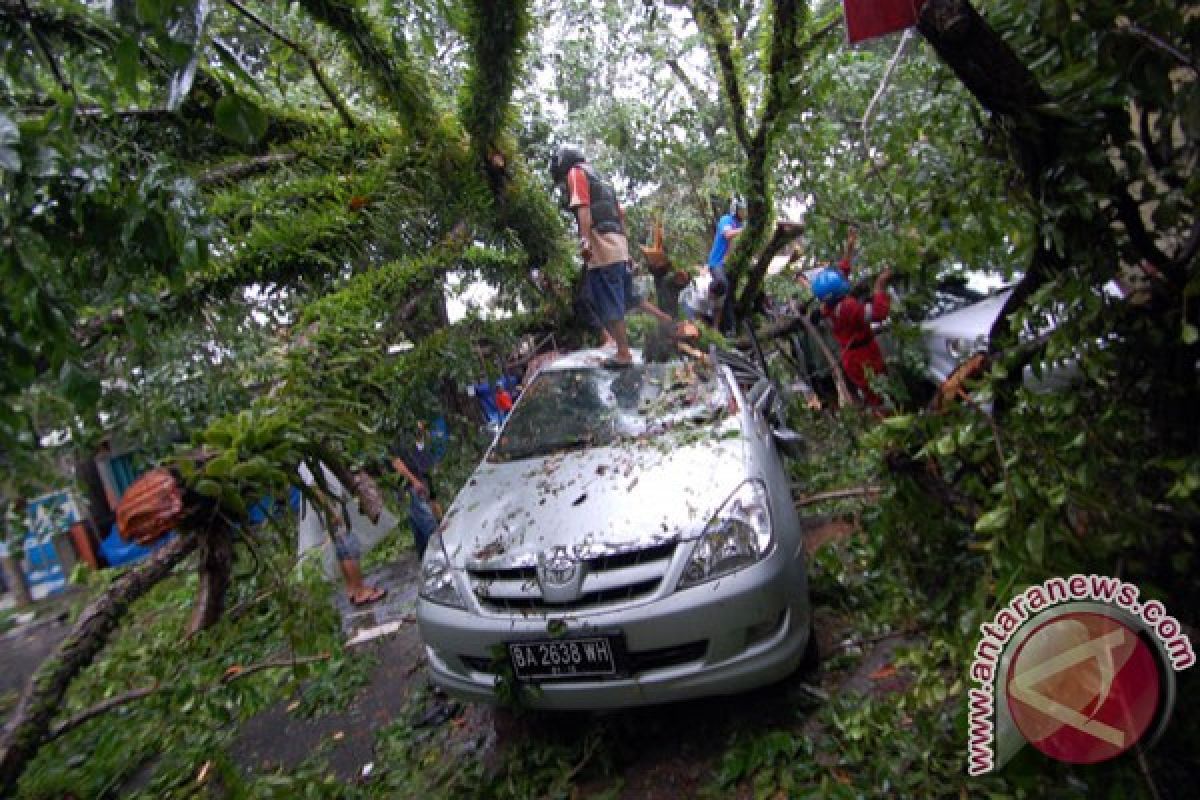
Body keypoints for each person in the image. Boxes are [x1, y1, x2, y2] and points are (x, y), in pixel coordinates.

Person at [550, 144, 672, 366]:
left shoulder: (576, 173)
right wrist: (627, 251)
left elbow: (583, 208)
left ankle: (623, 353)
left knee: (606, 301)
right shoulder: (602, 178)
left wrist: (584, 240)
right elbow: (620, 214)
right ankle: (665, 319)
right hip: (618, 246)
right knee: (628, 297)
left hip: (602, 249)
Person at [810, 228, 893, 407]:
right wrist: (879, 286)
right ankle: (886, 421)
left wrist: (849, 246)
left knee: (877, 391)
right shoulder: (847, 308)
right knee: (878, 395)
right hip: (863, 357)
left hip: (852, 355)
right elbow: (879, 313)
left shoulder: (828, 305)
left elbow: (841, 274)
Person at [388, 421, 440, 560]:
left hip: (417, 482)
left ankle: (424, 559)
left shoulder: (418, 442)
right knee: (429, 525)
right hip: (408, 486)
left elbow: (426, 468)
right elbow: (396, 463)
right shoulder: (397, 438)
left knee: (419, 530)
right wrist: (414, 481)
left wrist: (432, 497)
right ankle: (443, 556)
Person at [706, 198, 746, 332]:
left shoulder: (741, 225)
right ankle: (709, 301)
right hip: (716, 262)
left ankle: (729, 329)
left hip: (728, 265)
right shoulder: (726, 219)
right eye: (742, 209)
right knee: (722, 284)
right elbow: (728, 234)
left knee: (729, 296)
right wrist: (745, 230)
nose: (744, 212)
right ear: (736, 210)